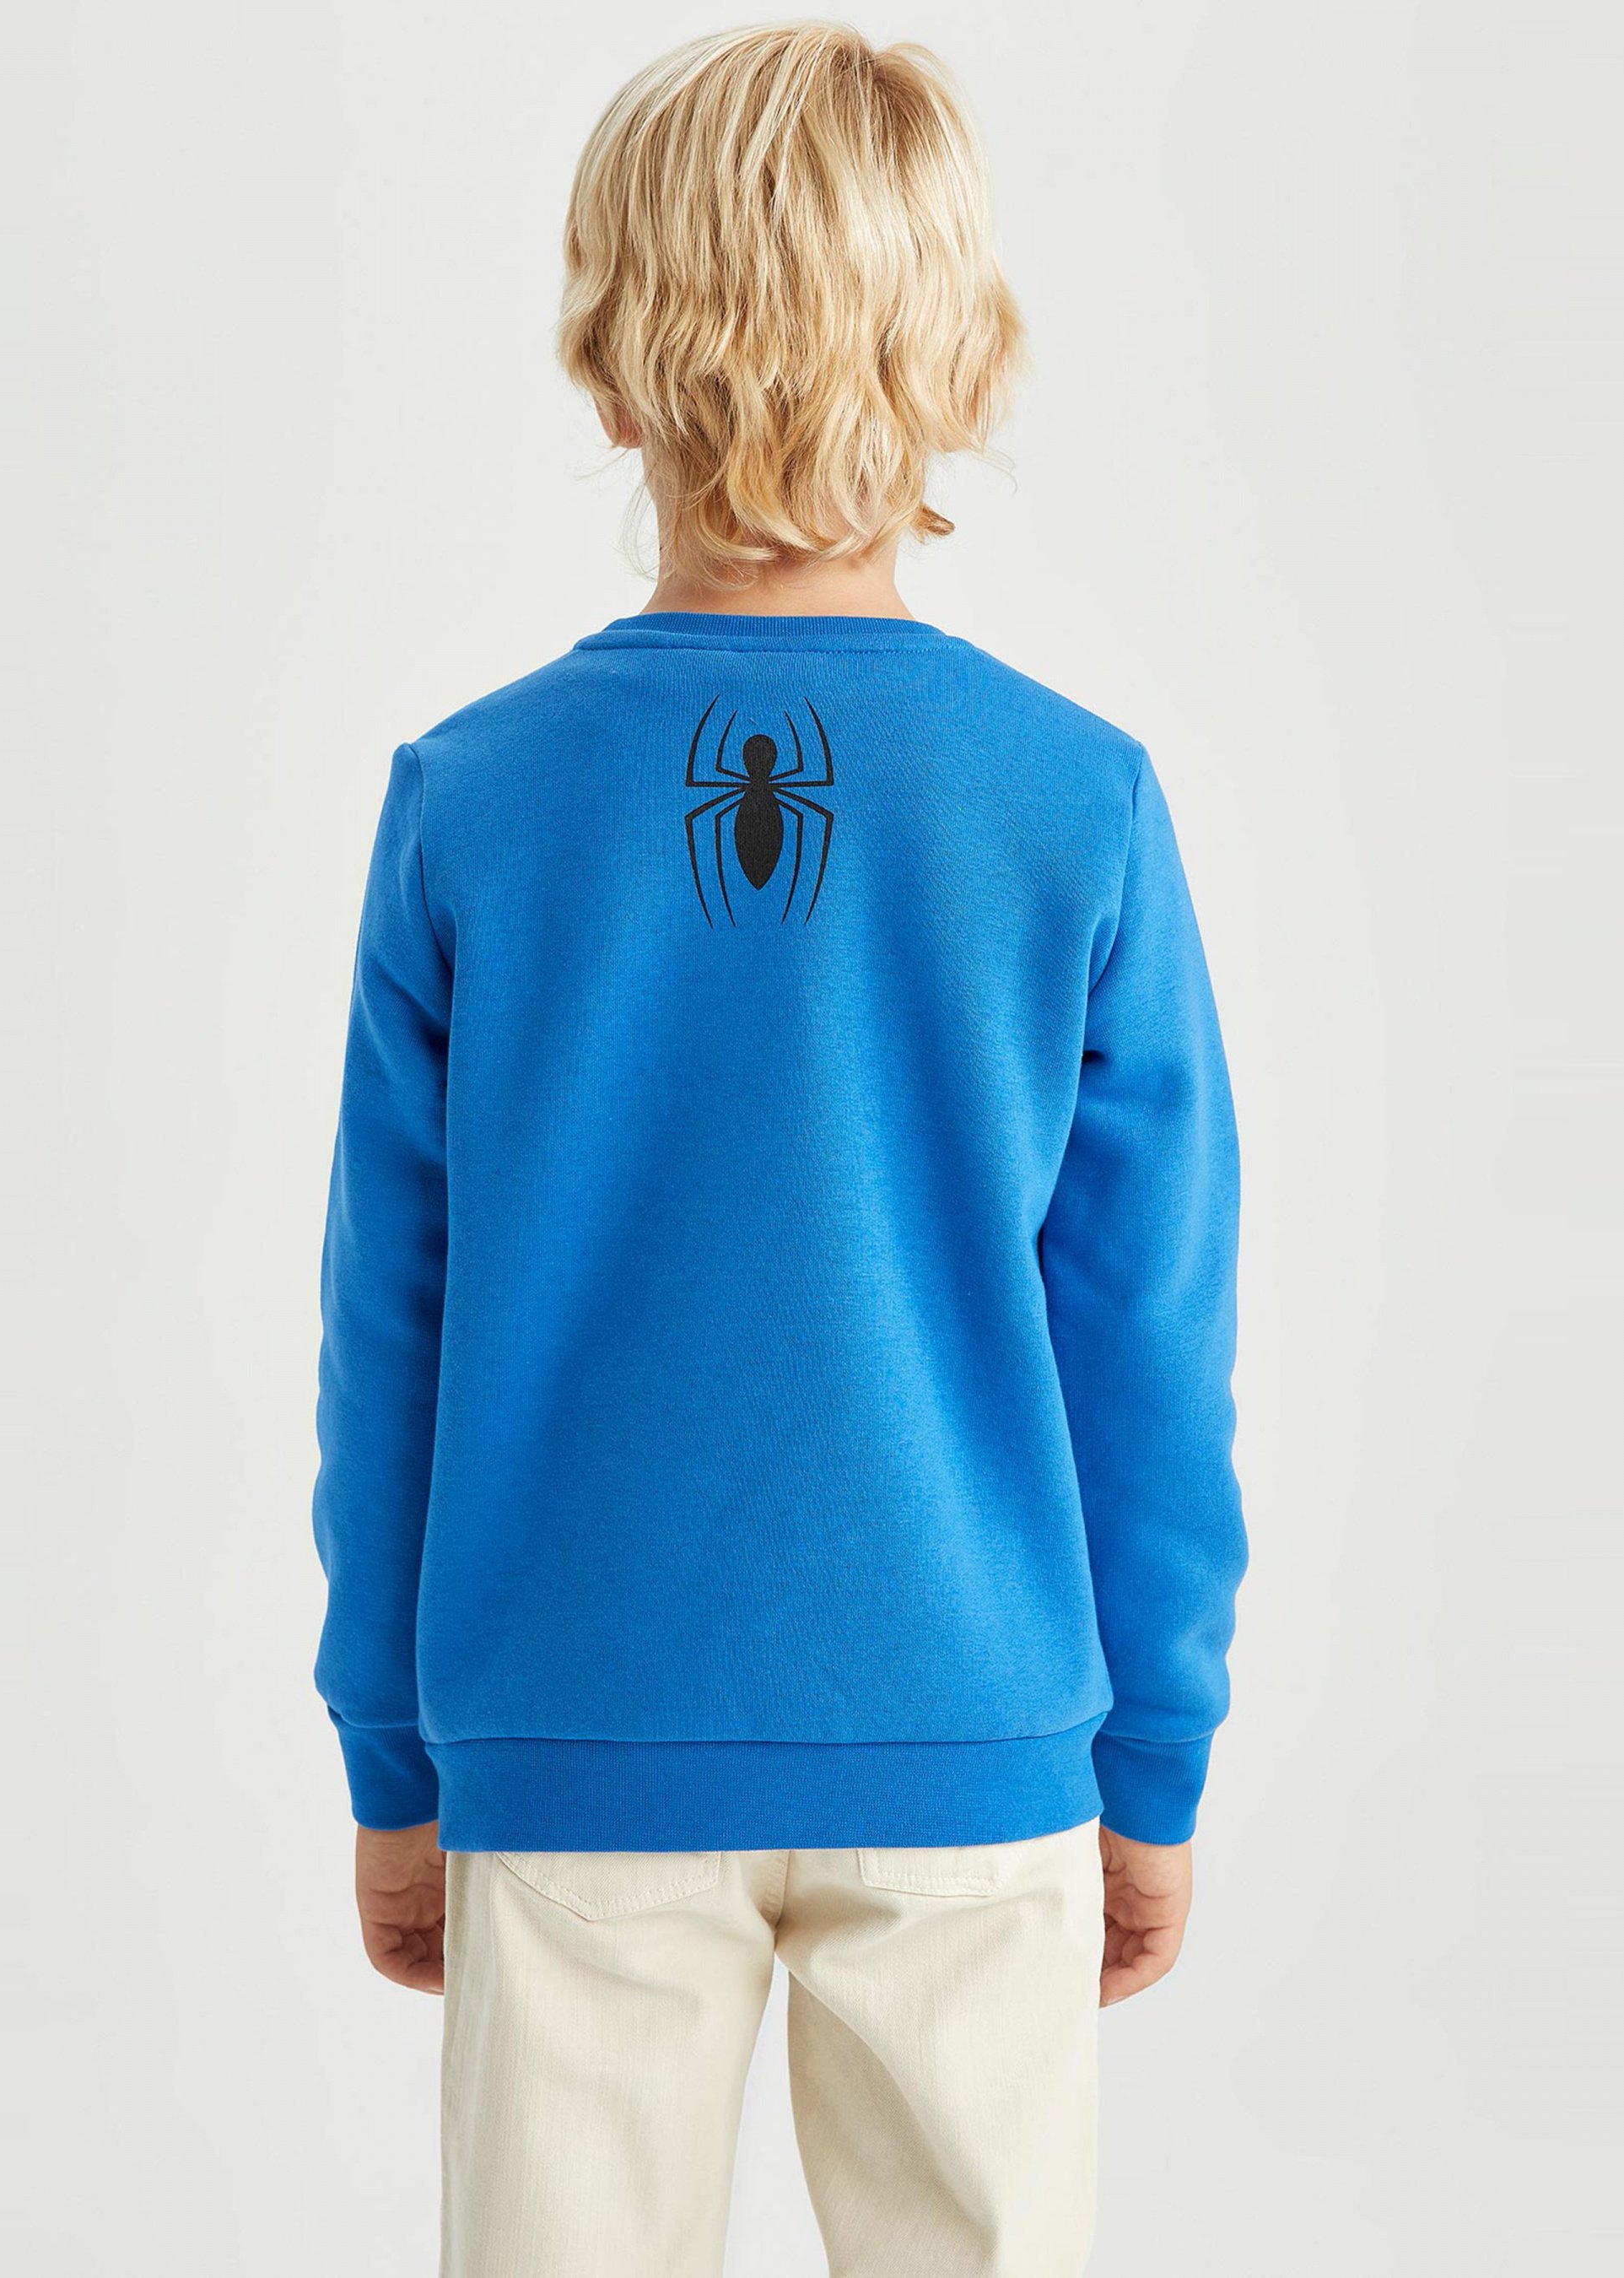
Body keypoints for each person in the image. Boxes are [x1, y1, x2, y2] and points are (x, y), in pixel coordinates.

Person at [311, 24, 1246, 2277]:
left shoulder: (471, 802)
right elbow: (1149, 1334)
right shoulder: (1076, 803)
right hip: (974, 1742)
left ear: (608, 368)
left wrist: (391, 1750)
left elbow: (388, 1330)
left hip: (569, 1732)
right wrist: (1153, 1750)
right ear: (963, 358)